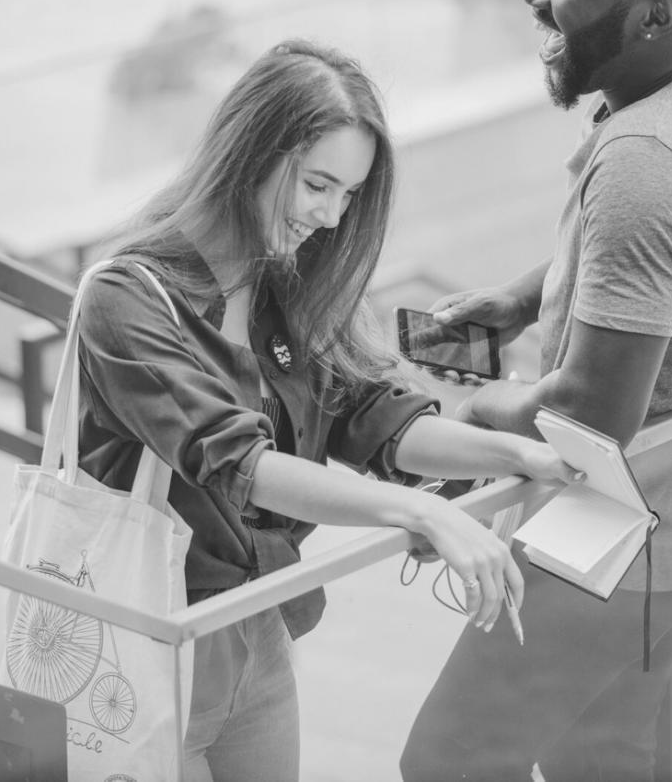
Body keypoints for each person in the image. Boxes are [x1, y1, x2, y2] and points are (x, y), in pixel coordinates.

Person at [74, 38, 578, 782]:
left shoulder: (287, 287)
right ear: (250, 151)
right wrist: (421, 513)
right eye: (317, 184)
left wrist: (516, 456)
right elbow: (237, 464)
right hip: (147, 638)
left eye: (348, 195)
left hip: (257, 627)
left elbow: (376, 419)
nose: (331, 216)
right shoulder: (124, 300)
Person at [400, 0, 672, 781]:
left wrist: (459, 408)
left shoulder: (643, 166)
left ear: (657, 14)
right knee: (607, 756)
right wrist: (528, 297)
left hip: (626, 523)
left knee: (449, 760)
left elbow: (587, 420)